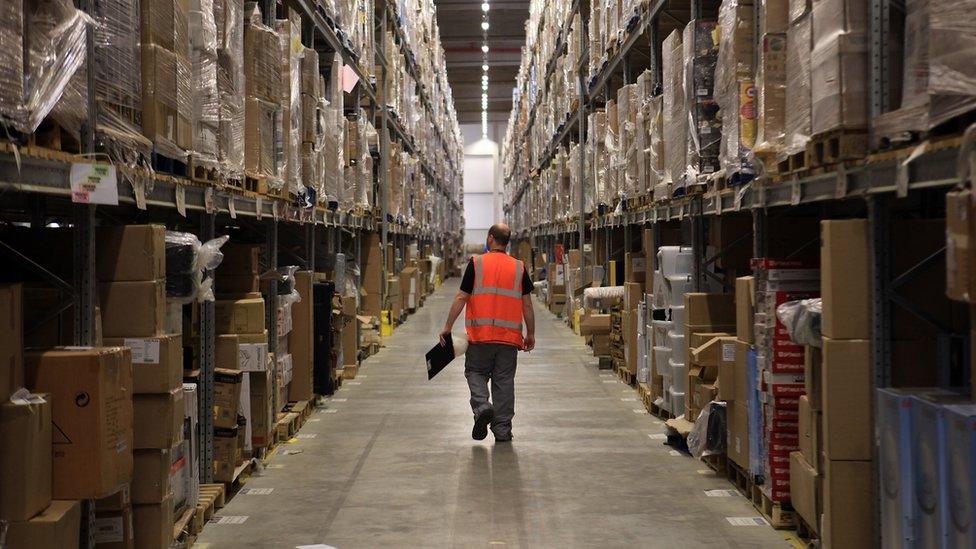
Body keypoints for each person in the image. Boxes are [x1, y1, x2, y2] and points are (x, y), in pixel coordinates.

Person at [439, 223, 535, 442]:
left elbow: (461, 297)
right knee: (504, 382)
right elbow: (527, 305)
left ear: (491, 238)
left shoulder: (476, 263)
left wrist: (447, 327)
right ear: (507, 241)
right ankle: (502, 430)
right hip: (509, 339)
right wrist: (530, 334)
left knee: (475, 372)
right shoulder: (519, 267)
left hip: (480, 337)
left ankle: (482, 406)